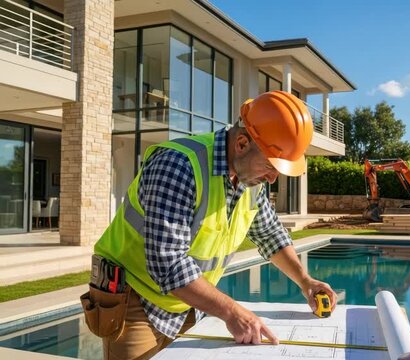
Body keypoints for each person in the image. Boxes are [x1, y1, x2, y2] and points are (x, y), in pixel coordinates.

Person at [90, 90, 337, 360]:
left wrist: (306, 281)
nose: (273, 178)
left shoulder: (250, 181)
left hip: (187, 302)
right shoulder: (178, 166)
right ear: (241, 143)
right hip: (134, 298)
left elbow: (270, 235)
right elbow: (167, 264)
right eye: (270, 165)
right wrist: (231, 312)